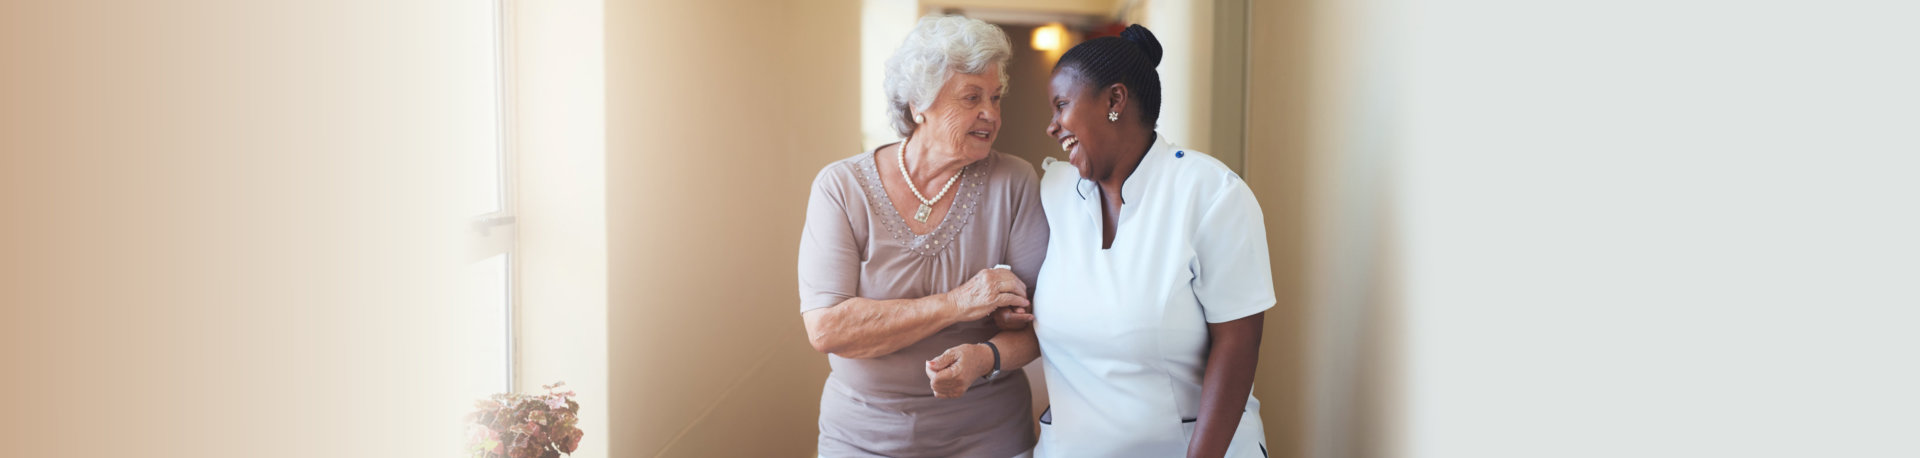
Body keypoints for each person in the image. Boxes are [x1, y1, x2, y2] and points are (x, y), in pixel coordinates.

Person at [796, 14, 1048, 458]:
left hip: (986, 435)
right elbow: (827, 329)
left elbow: (1044, 325)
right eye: (971, 97)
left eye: (995, 97)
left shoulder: (1014, 181)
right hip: (861, 436)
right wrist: (960, 303)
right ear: (918, 105)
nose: (990, 113)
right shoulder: (841, 187)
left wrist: (984, 357)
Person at [1031, 24, 1274, 458]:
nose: (1052, 126)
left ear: (1115, 100)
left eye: (1062, 105)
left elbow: (1238, 342)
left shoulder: (1210, 193)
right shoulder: (1054, 193)